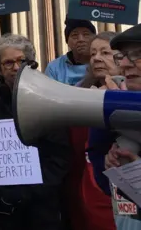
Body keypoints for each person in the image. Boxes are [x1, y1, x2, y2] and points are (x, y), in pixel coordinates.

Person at [0, 34, 70, 230]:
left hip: (42, 203)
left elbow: (60, 150)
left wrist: (34, 189)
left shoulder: (49, 92)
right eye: (8, 63)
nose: (16, 67)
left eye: (21, 61)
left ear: (30, 63)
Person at [66, 32, 119, 230]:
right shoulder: (78, 95)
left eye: (105, 52)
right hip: (88, 192)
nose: (96, 58)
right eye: (93, 53)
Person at [94, 24, 141, 228]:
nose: (124, 64)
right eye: (122, 56)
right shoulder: (110, 106)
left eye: (137, 55)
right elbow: (104, 183)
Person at [45, 17, 96, 86]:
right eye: (74, 35)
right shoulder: (54, 67)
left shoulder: (101, 62)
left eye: (86, 34)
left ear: (95, 38)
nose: (80, 39)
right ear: (67, 42)